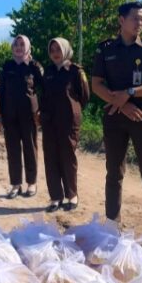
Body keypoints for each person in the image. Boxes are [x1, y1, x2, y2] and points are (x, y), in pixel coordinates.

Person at [91, 1, 142, 254]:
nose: (140, 23)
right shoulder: (105, 49)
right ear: (121, 21)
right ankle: (112, 227)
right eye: (135, 18)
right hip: (115, 114)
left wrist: (130, 93)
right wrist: (121, 103)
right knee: (114, 171)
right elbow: (96, 84)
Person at [40, 38, 89, 212]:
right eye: (52, 49)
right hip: (49, 121)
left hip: (68, 122)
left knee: (67, 158)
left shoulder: (76, 71)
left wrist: (72, 110)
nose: (55, 53)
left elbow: (84, 96)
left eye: (58, 49)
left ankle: (71, 195)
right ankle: (55, 197)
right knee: (51, 158)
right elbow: (44, 95)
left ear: (66, 50)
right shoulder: (48, 71)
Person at [0, 35, 44, 199]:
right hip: (9, 115)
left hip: (29, 115)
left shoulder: (34, 67)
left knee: (30, 149)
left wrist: (41, 111)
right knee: (13, 150)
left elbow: (45, 89)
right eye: (16, 44)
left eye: (22, 44)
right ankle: (15, 184)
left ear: (28, 48)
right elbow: (0, 91)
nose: (18, 47)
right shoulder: (7, 66)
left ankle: (31, 183)